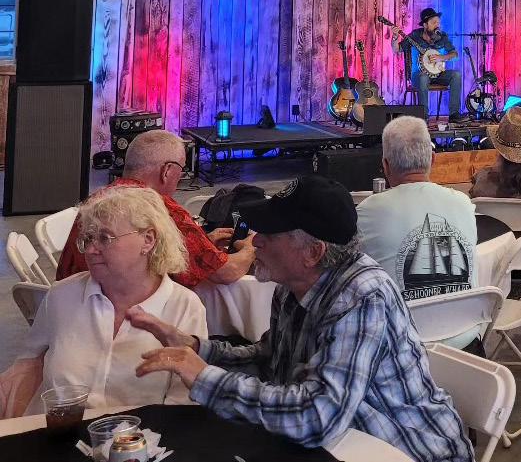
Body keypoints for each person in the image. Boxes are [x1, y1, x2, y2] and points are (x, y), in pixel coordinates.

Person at [129, 175, 472, 462]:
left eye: (270, 234)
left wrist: (205, 378)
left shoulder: (363, 296)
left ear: (313, 252)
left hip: (406, 449)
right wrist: (194, 349)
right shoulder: (292, 287)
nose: (255, 242)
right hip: (341, 443)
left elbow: (317, 417)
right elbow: (269, 361)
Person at [0, 186, 207, 417]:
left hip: (138, 436)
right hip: (60, 432)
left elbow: (183, 402)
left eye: (104, 238)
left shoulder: (184, 308)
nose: (90, 250)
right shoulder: (62, 295)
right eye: (88, 238)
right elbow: (28, 364)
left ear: (148, 240)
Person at [57, 129, 254, 287]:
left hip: (74, 304)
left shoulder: (96, 201)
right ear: (166, 171)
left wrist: (203, 244)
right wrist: (251, 247)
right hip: (128, 314)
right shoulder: (162, 210)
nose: (180, 178)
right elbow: (227, 273)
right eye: (181, 169)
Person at [356, 116, 481, 349]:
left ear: (385, 165)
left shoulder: (367, 212)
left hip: (398, 350)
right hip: (467, 347)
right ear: (433, 159)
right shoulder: (463, 203)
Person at [396, 7, 463, 119]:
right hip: (419, 76)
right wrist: (394, 38)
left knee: (456, 75)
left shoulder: (442, 37)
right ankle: (424, 116)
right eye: (433, 22)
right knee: (423, 77)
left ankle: (454, 114)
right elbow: (397, 49)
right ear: (425, 25)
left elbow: (455, 55)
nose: (437, 25)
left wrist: (441, 57)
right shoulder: (415, 35)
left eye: (438, 22)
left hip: (438, 74)